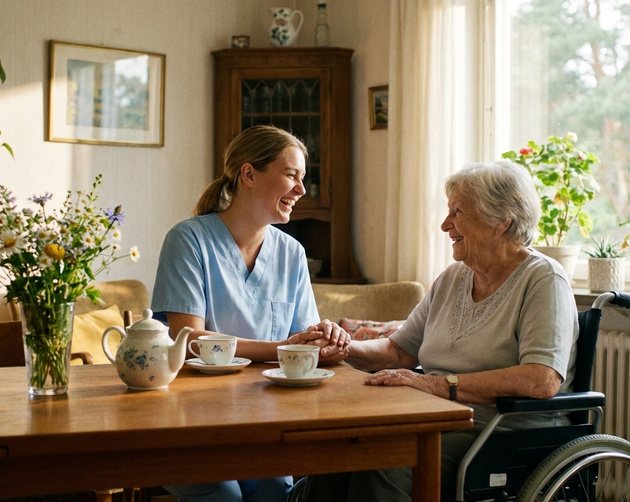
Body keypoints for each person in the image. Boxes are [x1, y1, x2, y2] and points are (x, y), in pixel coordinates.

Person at [302, 160, 579, 502]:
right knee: (336, 453)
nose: (446, 224)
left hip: (501, 433)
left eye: (458, 212)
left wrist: (434, 384)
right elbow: (399, 351)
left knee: (381, 463)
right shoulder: (453, 277)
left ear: (501, 221)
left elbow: (541, 379)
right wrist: (343, 347)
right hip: (436, 421)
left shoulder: (543, 279)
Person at [151, 125, 351, 502]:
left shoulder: (291, 253)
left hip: (264, 420)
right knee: (224, 496)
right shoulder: (188, 240)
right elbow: (190, 341)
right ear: (248, 174)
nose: (302, 190)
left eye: (303, 178)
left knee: (276, 490)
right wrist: (283, 347)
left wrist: (325, 341)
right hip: (189, 419)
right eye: (291, 174)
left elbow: (301, 344)